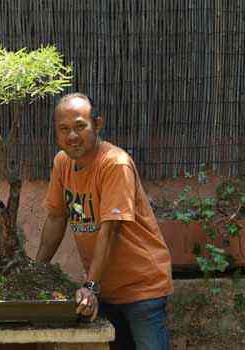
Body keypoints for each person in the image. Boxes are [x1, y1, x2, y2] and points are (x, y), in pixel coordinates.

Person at [36, 93, 174, 350]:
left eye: (80, 126)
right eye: (64, 129)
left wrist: (90, 285)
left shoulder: (114, 164)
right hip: (107, 290)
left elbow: (110, 228)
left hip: (142, 288)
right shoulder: (62, 162)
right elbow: (56, 217)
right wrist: (36, 270)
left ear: (97, 124)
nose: (72, 136)